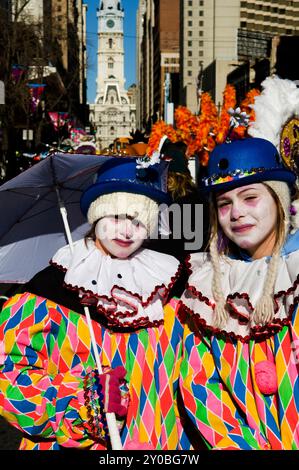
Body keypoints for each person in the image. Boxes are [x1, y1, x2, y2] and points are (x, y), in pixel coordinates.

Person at [0, 156, 192, 450]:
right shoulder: (47, 291)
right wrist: (81, 399)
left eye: (139, 221)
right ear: (96, 216)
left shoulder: (168, 284)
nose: (127, 232)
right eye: (116, 217)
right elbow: (8, 378)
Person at [178, 81, 299, 449]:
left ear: (279, 202)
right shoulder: (205, 287)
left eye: (250, 197)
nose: (237, 213)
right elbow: (199, 386)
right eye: (224, 203)